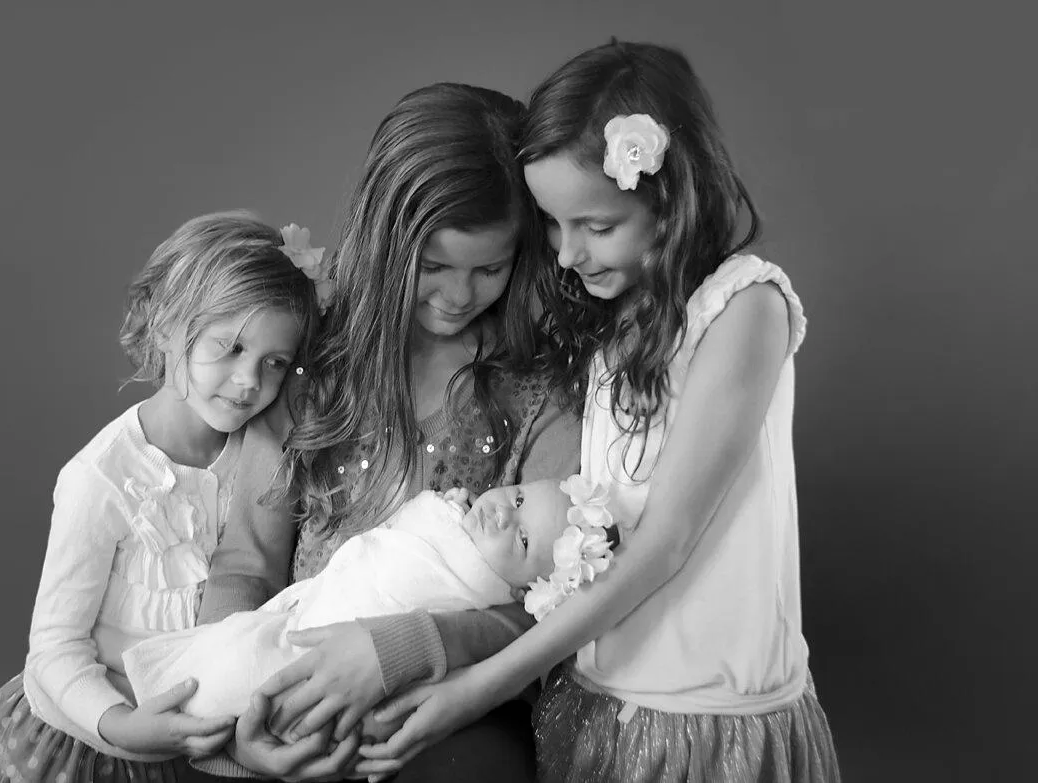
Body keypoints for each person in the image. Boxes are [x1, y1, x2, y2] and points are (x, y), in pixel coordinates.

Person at [355, 41, 843, 782]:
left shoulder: (743, 307)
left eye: (597, 225)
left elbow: (663, 544)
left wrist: (475, 688)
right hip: (596, 699)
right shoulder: (611, 322)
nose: (566, 254)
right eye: (552, 225)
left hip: (706, 716)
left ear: (670, 199)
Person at [191, 83, 582, 782]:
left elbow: (557, 608)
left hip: (455, 707)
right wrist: (237, 711)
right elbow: (247, 563)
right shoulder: (312, 364)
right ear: (384, 241)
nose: (458, 295)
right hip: (292, 686)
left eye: (489, 269)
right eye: (433, 267)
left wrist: (408, 647)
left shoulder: (537, 393)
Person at [0, 211, 323, 783]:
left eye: (274, 363)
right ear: (167, 327)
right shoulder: (102, 479)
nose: (250, 381)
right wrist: (120, 725)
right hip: (95, 740)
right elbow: (54, 649)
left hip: (206, 746)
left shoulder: (266, 457)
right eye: (229, 348)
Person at [123, 478, 601, 722]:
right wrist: (442, 511)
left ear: (523, 591)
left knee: (249, 675)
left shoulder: (483, 586)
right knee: (232, 648)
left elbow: (518, 622)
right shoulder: (307, 373)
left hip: (348, 651)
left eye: (522, 541)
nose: (503, 516)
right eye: (517, 499)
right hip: (304, 608)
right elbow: (246, 561)